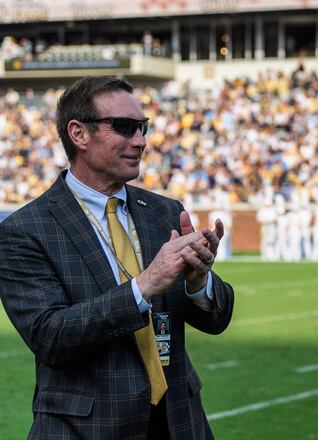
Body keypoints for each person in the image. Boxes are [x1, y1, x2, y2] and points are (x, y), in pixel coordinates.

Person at [0, 76, 234, 439]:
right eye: (125, 128)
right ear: (78, 134)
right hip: (86, 428)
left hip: (178, 422)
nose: (140, 140)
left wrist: (198, 282)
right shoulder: (26, 229)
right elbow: (50, 337)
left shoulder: (164, 211)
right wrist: (142, 287)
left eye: (143, 128)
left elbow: (217, 318)